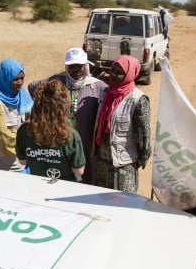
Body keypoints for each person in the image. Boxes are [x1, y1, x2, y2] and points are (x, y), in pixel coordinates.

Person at [28, 47, 108, 184]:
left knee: (85, 177)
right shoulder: (57, 81)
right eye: (71, 66)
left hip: (86, 143)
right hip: (60, 144)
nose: (76, 70)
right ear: (66, 67)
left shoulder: (98, 86)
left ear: (86, 65)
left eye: (80, 66)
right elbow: (32, 87)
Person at [94, 55, 151, 194]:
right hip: (101, 163)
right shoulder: (106, 93)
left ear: (130, 74)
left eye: (119, 72)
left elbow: (143, 135)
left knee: (124, 207)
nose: (113, 75)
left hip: (123, 166)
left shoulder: (138, 100)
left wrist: (142, 159)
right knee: (100, 205)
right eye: (112, 70)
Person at [16, 80, 86, 182]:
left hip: (37, 186)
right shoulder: (72, 135)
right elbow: (79, 171)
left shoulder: (24, 130)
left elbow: (22, 162)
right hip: (66, 188)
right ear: (63, 107)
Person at [0, 58, 33, 172]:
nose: (20, 82)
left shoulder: (23, 96)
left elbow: (33, 120)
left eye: (22, 78)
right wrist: (28, 141)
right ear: (4, 79)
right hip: (1, 166)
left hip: (23, 163)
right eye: (15, 79)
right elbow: (2, 136)